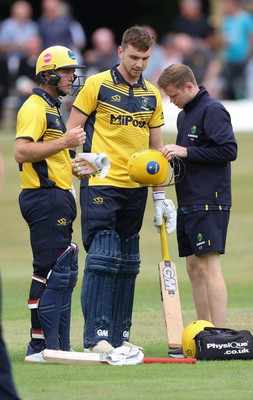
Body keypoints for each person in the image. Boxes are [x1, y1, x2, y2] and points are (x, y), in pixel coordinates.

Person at [67, 25, 176, 354]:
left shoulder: (151, 94)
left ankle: (119, 336)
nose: (139, 64)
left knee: (128, 261)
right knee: (103, 256)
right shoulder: (96, 85)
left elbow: (155, 150)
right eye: (133, 57)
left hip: (136, 188)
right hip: (101, 182)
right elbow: (72, 131)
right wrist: (85, 158)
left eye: (145, 58)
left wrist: (160, 198)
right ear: (120, 52)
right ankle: (95, 338)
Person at [157, 63, 238, 357]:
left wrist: (185, 151)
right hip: (188, 201)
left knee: (208, 266)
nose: (171, 100)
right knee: (193, 267)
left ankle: (220, 337)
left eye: (174, 94)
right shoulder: (184, 115)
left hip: (210, 200)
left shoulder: (212, 110)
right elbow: (190, 156)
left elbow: (229, 150)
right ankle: (204, 332)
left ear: (189, 87)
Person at [14, 45, 86, 363]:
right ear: (48, 74)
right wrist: (66, 142)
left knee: (64, 270)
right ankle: (40, 346)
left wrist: (75, 164)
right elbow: (21, 152)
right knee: (50, 271)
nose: (71, 76)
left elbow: (49, 156)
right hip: (44, 198)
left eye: (72, 70)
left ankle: (57, 345)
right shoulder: (34, 107)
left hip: (56, 197)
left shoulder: (52, 107)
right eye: (66, 71)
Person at [0, 1, 39, 85]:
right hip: (10, 58)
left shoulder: (32, 26)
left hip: (27, 59)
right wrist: (21, 46)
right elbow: (2, 46)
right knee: (12, 63)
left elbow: (35, 45)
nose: (23, 16)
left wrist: (17, 45)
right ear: (14, 13)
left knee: (34, 61)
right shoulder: (6, 25)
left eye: (25, 13)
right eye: (20, 14)